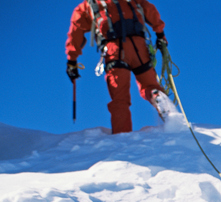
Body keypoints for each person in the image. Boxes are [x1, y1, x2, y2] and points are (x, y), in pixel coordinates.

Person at [65, 0, 168, 134]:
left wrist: (72, 61)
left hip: (115, 50)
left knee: (120, 98)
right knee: (149, 85)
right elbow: (150, 10)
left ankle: (122, 136)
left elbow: (75, 32)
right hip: (139, 47)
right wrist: (160, 35)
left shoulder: (87, 6)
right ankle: (157, 97)